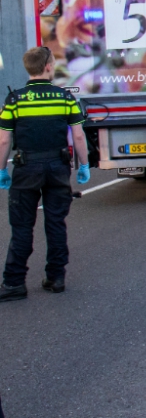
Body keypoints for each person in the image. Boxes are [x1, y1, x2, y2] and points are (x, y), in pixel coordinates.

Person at [0, 47, 91, 302]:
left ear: (28, 68)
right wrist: (83, 165)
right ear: (48, 67)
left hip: (26, 169)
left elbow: (4, 140)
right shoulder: (64, 98)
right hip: (57, 168)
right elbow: (78, 135)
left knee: (21, 227)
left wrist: (1, 171)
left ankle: (14, 283)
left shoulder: (14, 100)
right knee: (55, 224)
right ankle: (56, 278)